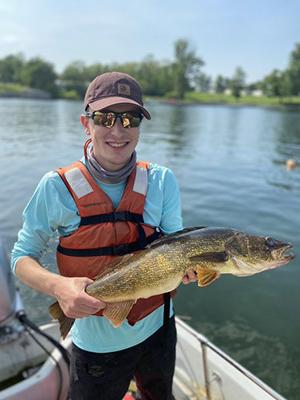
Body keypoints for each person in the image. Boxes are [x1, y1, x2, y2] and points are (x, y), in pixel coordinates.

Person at [11, 71, 197, 400]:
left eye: (131, 119)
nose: (118, 130)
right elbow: (21, 257)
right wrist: (58, 287)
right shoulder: (55, 188)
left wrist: (193, 268)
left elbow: (177, 246)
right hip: (96, 345)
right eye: (105, 118)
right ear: (86, 124)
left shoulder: (162, 180)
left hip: (159, 328)